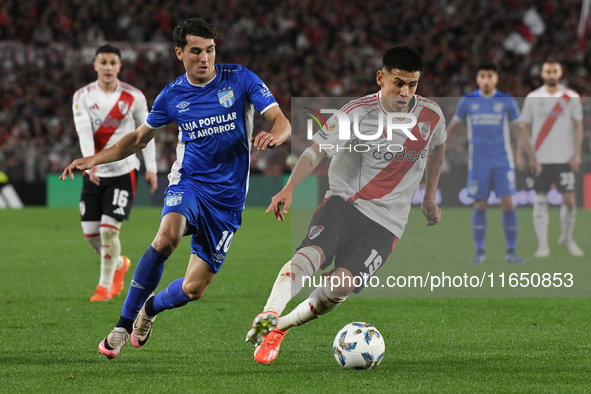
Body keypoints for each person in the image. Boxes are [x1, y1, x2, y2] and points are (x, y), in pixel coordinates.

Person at [61, 18, 291, 359]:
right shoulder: (172, 96)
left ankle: (150, 308)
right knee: (166, 237)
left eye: (210, 50)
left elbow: (281, 121)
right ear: (179, 53)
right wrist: (94, 159)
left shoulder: (239, 79)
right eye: (196, 51)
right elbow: (138, 139)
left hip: (227, 202)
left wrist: (277, 136)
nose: (205, 58)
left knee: (193, 288)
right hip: (189, 183)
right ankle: (122, 327)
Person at [245, 46, 446, 364]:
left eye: (412, 85)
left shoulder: (432, 116)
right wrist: (289, 188)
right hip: (344, 203)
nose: (405, 92)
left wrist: (431, 196)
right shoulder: (356, 112)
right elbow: (315, 151)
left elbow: (438, 146)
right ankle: (269, 312)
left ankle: (278, 329)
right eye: (398, 83)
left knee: (340, 287)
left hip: (388, 223)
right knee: (310, 255)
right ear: (381, 78)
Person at [72, 44, 158, 302]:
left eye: (113, 63)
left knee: (110, 231)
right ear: (95, 65)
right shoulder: (83, 96)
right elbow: (84, 131)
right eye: (103, 62)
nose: (108, 67)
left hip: (124, 171)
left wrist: (151, 167)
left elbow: (148, 135)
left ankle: (104, 288)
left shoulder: (135, 96)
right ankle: (120, 263)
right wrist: (92, 163)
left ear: (119, 66)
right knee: (91, 235)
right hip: (95, 172)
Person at [446, 63, 540, 265]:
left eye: (490, 75)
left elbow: (520, 131)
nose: (486, 79)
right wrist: (440, 148)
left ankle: (511, 252)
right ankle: (480, 252)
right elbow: (453, 128)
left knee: (508, 203)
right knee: (479, 204)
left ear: (496, 78)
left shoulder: (506, 101)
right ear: (477, 79)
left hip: (502, 161)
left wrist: (531, 156)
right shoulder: (467, 101)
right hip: (478, 163)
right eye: (482, 75)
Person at [516, 61, 584, 257]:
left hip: (564, 157)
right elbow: (524, 127)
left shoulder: (571, 97)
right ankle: (543, 245)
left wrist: (576, 153)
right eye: (548, 71)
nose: (552, 74)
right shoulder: (533, 97)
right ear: (542, 73)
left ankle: (566, 238)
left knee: (570, 200)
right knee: (540, 199)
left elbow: (578, 126)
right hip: (539, 159)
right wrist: (521, 154)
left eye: (555, 71)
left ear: (560, 73)